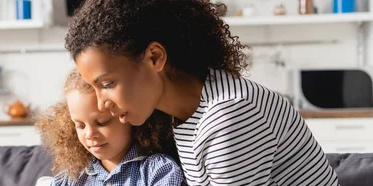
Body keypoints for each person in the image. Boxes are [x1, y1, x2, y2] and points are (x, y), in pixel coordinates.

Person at [65, 0, 340, 185]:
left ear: (155, 58)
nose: (102, 103)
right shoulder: (184, 114)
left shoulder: (229, 114)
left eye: (108, 83)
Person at [35, 70, 184, 186]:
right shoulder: (74, 177)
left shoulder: (158, 170)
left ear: (128, 115)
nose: (89, 134)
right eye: (80, 125)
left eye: (102, 122)